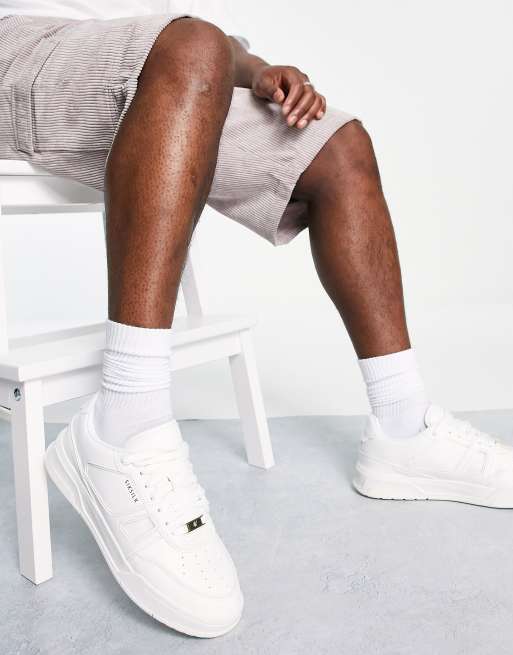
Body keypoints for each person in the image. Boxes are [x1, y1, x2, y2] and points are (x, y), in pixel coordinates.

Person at [1, 0, 512, 639]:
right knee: (193, 45)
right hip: (21, 47)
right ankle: (124, 424)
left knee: (339, 145)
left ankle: (403, 426)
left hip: (162, 68)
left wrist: (258, 68)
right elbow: (183, 39)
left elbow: (181, 31)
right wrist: (198, 48)